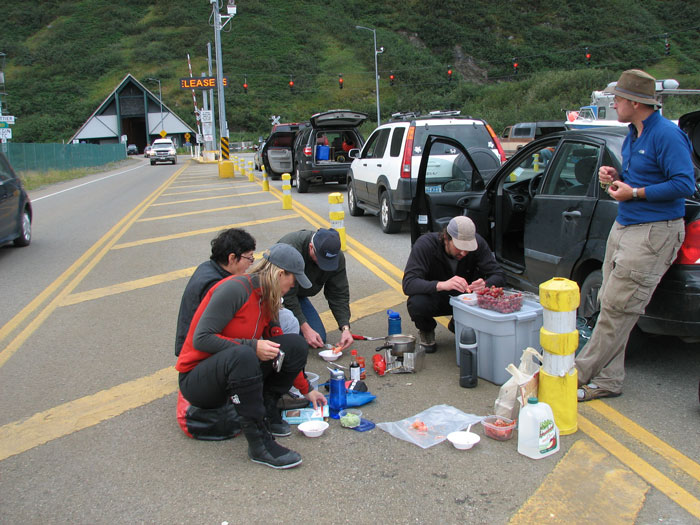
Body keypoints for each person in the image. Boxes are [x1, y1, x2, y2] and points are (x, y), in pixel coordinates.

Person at [575, 69, 695, 401]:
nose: (613, 104)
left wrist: (636, 192)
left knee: (618, 308)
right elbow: (637, 178)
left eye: (617, 99)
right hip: (625, 225)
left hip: (653, 232)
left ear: (634, 102)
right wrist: (615, 176)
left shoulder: (667, 135)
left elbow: (685, 184)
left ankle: (575, 376)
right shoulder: (633, 133)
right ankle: (609, 380)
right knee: (609, 303)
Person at [176, 244, 326, 469]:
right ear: (279, 273)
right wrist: (253, 346)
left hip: (232, 371)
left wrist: (307, 389)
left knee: (294, 344)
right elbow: (202, 339)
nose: (293, 285)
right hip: (198, 380)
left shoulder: (268, 298)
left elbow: (280, 350)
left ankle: (268, 410)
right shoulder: (235, 289)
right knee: (244, 354)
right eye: (293, 279)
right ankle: (260, 444)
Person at [174, 228, 298, 357]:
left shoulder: (208, 267)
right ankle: (282, 361)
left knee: (282, 316)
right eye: (249, 258)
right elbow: (212, 335)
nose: (251, 264)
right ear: (232, 258)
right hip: (199, 350)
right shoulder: (220, 285)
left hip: (200, 340)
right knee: (288, 321)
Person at [402, 216, 506, 353]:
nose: (463, 253)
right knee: (417, 303)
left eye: (468, 248)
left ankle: (459, 324)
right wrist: (441, 285)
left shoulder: (479, 243)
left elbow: (500, 275)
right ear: (446, 238)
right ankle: (426, 329)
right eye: (459, 247)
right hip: (436, 296)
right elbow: (409, 283)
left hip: (465, 298)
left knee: (494, 296)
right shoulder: (425, 244)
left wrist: (485, 284)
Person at [278, 228, 354, 351]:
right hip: (277, 295)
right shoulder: (291, 249)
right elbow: (286, 295)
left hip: (297, 294)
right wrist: (305, 328)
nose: (323, 264)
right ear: (311, 247)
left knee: (319, 338)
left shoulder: (335, 257)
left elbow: (338, 293)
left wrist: (345, 327)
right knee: (292, 338)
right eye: (320, 259)